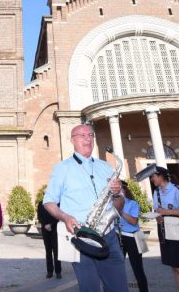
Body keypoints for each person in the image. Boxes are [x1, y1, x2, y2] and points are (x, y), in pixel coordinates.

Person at [43, 124, 128, 292]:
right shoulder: (62, 168)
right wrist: (65, 217)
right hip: (82, 236)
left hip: (109, 236)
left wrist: (118, 194)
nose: (88, 138)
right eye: (82, 135)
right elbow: (48, 201)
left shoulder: (105, 167)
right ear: (72, 140)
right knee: (90, 289)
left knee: (119, 288)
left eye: (91, 135)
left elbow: (119, 204)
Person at [118, 180, 149, 292]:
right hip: (119, 237)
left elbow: (134, 221)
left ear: (124, 189)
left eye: (119, 188)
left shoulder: (132, 203)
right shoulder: (113, 203)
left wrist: (120, 210)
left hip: (132, 238)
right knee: (116, 268)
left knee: (137, 269)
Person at [37, 198, 61, 279]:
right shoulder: (41, 203)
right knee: (48, 251)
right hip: (45, 229)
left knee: (56, 251)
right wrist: (45, 225)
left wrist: (50, 225)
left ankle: (58, 272)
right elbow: (39, 216)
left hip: (54, 229)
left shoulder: (56, 203)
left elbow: (58, 217)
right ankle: (49, 271)